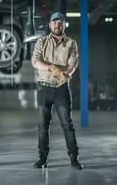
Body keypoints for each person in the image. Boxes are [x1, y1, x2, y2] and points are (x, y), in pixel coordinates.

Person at [31, 12, 83, 170]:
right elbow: (35, 61)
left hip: (61, 89)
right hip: (44, 88)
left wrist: (66, 74)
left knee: (67, 124)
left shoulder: (71, 43)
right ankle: (42, 159)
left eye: (60, 22)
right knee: (42, 126)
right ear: (50, 25)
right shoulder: (41, 42)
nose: (57, 25)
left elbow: (73, 63)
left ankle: (74, 159)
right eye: (54, 22)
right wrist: (50, 67)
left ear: (63, 25)